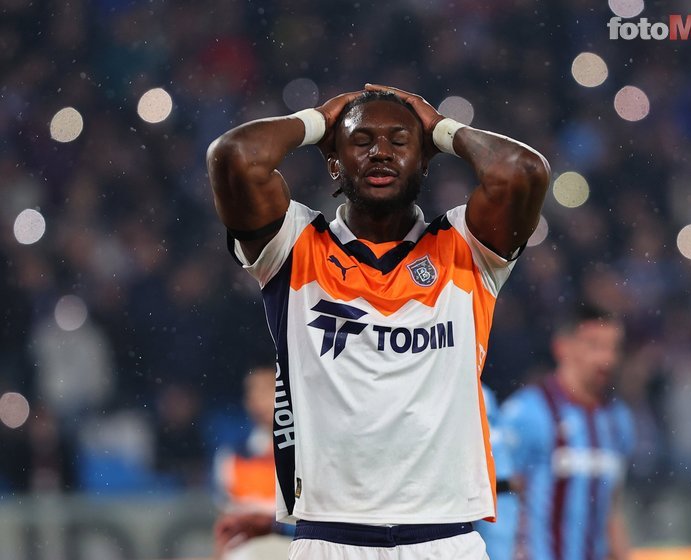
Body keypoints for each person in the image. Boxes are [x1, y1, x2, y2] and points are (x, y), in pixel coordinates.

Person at [206, 83, 550, 560]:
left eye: (400, 141)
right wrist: (318, 121)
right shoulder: (294, 248)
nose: (381, 152)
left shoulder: (467, 249)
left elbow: (523, 171)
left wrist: (441, 128)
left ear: (424, 161)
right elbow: (234, 157)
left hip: (444, 541)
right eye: (362, 141)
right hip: (329, 540)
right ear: (334, 162)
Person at [485, 305, 635, 560]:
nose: (606, 359)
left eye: (613, 347)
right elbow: (498, 503)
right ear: (562, 347)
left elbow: (612, 510)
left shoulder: (618, 420)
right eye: (594, 346)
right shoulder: (527, 413)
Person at [213, 366, 293, 559]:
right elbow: (224, 520)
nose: (259, 399)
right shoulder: (232, 457)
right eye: (252, 392)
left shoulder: (308, 454)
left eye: (268, 390)